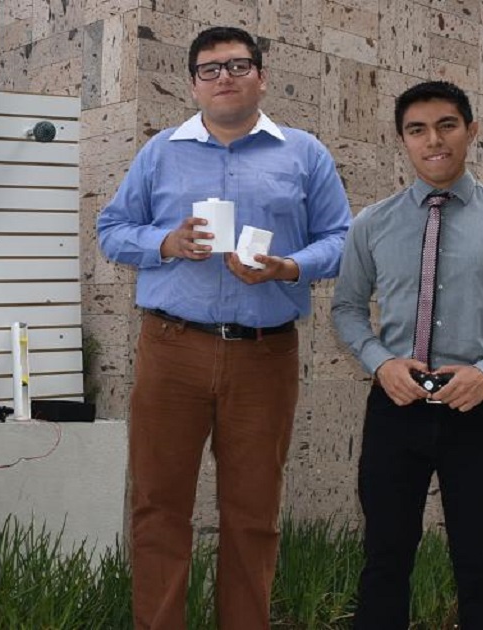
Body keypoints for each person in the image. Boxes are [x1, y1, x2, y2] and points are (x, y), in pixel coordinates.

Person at [97, 26, 352, 629]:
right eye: (210, 70)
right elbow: (111, 229)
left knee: (253, 514)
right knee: (158, 508)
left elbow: (342, 240)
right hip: (171, 349)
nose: (225, 78)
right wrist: (165, 241)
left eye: (238, 66)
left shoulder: (304, 153)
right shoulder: (160, 151)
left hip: (264, 356)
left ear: (261, 77)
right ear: (193, 85)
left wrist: (289, 266)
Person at [331, 80, 483, 629]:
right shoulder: (372, 224)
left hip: (477, 413)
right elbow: (345, 308)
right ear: (402, 140)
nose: (433, 140)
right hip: (395, 410)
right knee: (384, 562)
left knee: (481, 566)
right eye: (417, 130)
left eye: (446, 125)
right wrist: (381, 362)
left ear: (471, 132)